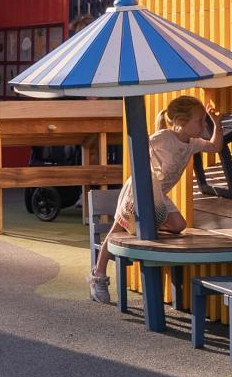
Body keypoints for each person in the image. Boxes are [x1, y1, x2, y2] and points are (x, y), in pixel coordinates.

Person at [93, 94, 220, 303]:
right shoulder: (163, 137)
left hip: (160, 194)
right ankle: (98, 275)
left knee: (179, 225)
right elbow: (140, 147)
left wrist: (216, 124)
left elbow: (215, 146)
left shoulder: (193, 143)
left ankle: (146, 225)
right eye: (199, 120)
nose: (202, 124)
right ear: (181, 122)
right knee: (116, 229)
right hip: (141, 188)